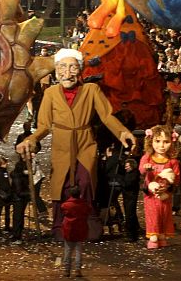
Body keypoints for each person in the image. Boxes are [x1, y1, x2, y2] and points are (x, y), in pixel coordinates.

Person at [15, 48, 133, 240]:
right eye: (62, 67)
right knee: (61, 186)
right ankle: (60, 227)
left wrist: (122, 132)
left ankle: (89, 225)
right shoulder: (51, 93)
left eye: (72, 67)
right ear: (56, 70)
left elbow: (106, 115)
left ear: (79, 70)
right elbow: (44, 126)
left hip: (85, 142)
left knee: (86, 182)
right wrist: (31, 139)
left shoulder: (91, 90)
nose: (67, 72)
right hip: (61, 144)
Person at [140, 124, 180, 248]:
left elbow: (177, 178)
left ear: (171, 142)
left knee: (164, 215)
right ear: (151, 141)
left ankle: (162, 236)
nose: (161, 146)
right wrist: (146, 169)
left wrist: (168, 186)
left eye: (166, 142)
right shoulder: (148, 158)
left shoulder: (173, 161)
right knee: (153, 215)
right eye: (158, 141)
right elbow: (141, 169)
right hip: (151, 195)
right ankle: (153, 237)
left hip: (165, 195)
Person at [61, 185, 91, 278]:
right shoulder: (84, 204)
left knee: (68, 250)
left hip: (69, 229)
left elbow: (63, 210)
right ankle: (77, 270)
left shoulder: (66, 205)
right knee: (78, 250)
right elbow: (88, 211)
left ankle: (67, 270)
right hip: (81, 229)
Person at [10, 157, 31, 243]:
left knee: (18, 217)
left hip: (20, 199)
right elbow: (19, 191)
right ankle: (17, 235)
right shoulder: (18, 177)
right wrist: (29, 194)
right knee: (18, 217)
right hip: (19, 199)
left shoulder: (20, 176)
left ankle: (17, 233)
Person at [121, 158, 141, 242]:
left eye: (127, 166)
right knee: (129, 214)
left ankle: (132, 235)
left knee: (130, 215)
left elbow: (128, 184)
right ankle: (134, 230)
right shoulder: (129, 173)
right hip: (127, 196)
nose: (126, 168)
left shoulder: (134, 174)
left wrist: (120, 180)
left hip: (131, 197)